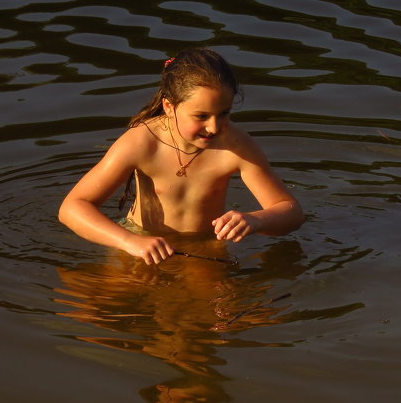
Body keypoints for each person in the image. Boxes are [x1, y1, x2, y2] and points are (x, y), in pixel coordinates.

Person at [59, 47, 304, 264]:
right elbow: (72, 208)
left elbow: (291, 213)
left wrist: (256, 220)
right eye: (201, 116)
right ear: (169, 106)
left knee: (207, 312)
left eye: (224, 113)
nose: (214, 127)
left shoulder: (238, 146)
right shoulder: (142, 142)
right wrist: (128, 241)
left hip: (204, 247)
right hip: (140, 242)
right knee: (99, 309)